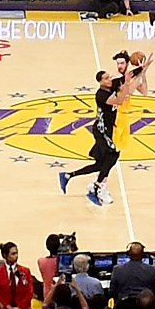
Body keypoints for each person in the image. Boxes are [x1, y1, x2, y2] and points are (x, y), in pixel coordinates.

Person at [59, 64, 126, 208]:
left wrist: (143, 68)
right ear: (100, 82)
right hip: (101, 130)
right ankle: (96, 187)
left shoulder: (111, 85)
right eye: (106, 78)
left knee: (100, 164)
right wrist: (124, 87)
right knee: (113, 155)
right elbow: (119, 101)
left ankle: (68, 175)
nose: (110, 80)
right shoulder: (101, 95)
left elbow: (127, 76)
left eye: (109, 77)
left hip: (107, 130)